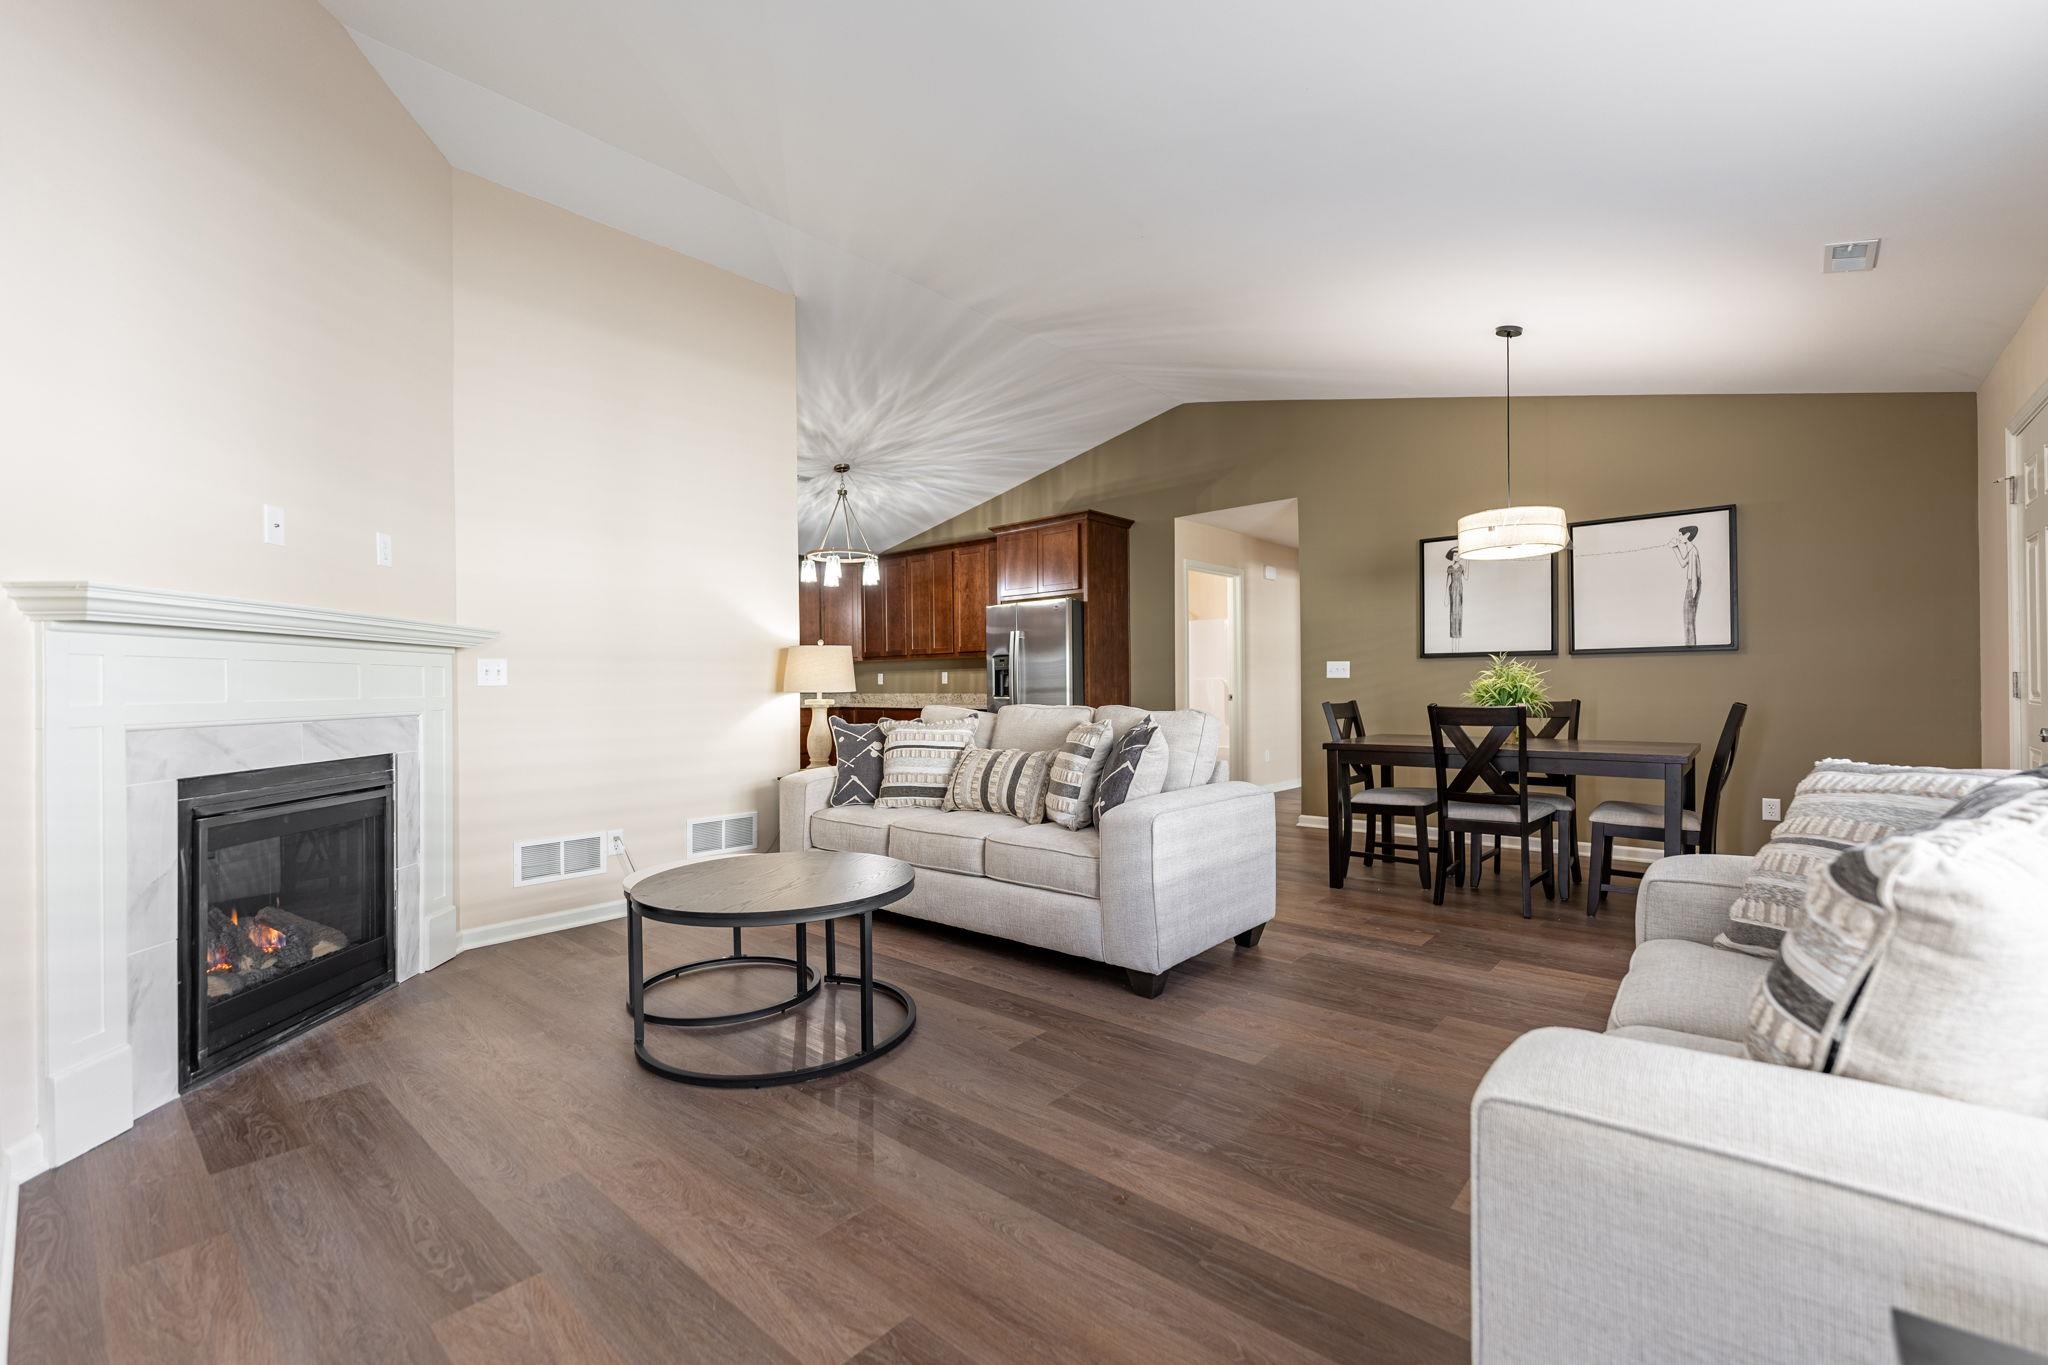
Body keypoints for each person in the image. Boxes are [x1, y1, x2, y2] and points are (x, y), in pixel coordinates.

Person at [1668, 525, 1701, 647]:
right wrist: (1675, 548)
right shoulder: (1690, 550)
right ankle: (1690, 644)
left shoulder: (1693, 551)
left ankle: (1690, 645)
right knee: (1688, 618)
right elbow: (1683, 563)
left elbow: (1694, 574)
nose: (1679, 537)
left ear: (1687, 535)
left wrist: (1693, 591)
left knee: (1689, 620)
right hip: (1692, 585)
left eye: (1680, 535)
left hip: (1692, 585)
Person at [1445, 547, 1467, 639]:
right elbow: (1447, 582)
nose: (1456, 556)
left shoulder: (1462, 567)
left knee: (1459, 610)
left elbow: (1466, 578)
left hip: (1460, 589)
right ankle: (1453, 633)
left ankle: (1458, 633)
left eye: (1458, 555)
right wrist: (1445, 596)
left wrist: (1468, 562)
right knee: (1453, 610)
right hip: (1452, 589)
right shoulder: (1450, 568)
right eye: (1454, 555)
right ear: (1452, 556)